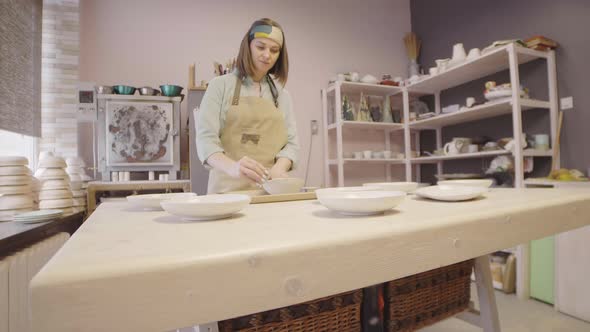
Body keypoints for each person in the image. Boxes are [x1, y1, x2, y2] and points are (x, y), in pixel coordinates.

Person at [197, 18, 300, 194]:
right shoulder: (219, 86)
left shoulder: (282, 96)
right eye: (261, 47)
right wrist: (232, 167)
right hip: (226, 195)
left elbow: (291, 144)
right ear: (248, 46)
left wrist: (279, 168)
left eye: (274, 50)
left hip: (269, 195)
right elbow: (206, 141)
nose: (267, 55)